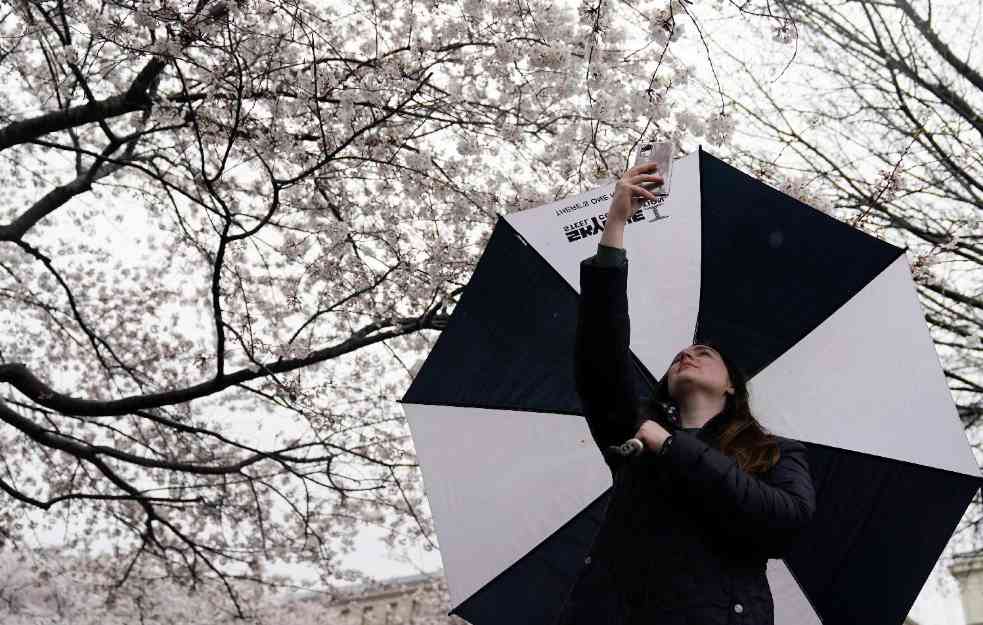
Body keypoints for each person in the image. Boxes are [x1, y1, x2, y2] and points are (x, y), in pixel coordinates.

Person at [555, 161, 817, 625]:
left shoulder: (776, 453)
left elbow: (783, 522)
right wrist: (616, 225)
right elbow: (600, 358)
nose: (687, 355)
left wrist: (671, 447)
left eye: (703, 352)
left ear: (732, 384)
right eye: (679, 355)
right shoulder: (633, 432)